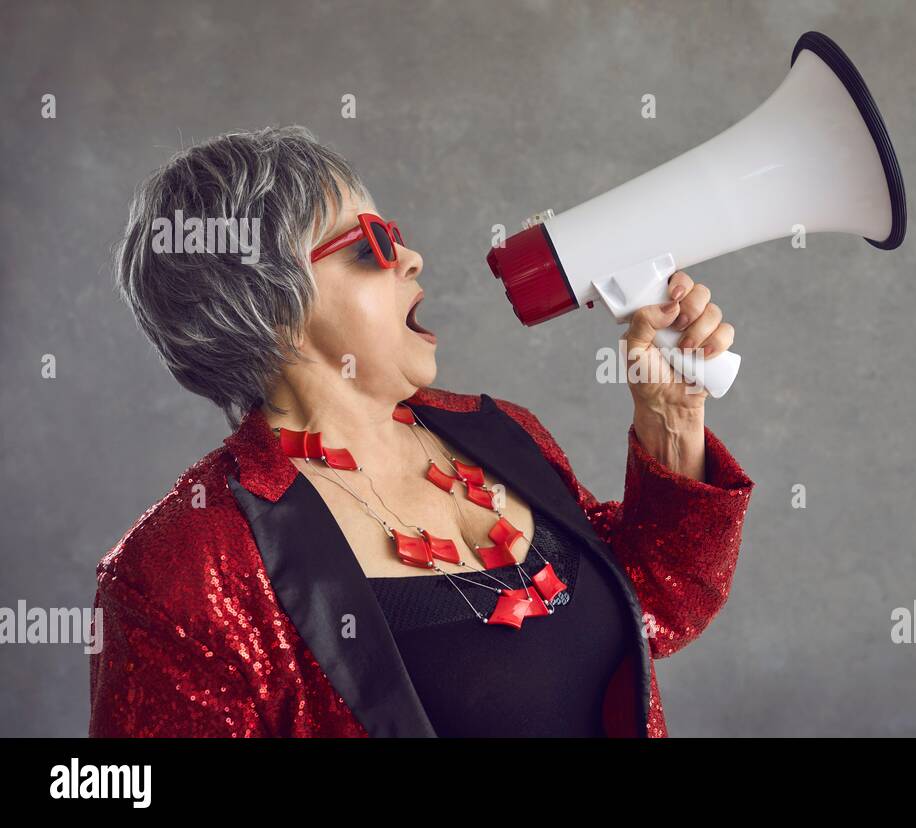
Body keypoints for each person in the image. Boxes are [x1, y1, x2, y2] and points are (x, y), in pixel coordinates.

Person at [89, 126, 754, 737]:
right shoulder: (180, 570)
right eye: (370, 245)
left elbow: (656, 609)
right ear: (271, 308)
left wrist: (671, 416)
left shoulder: (504, 435)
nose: (410, 256)